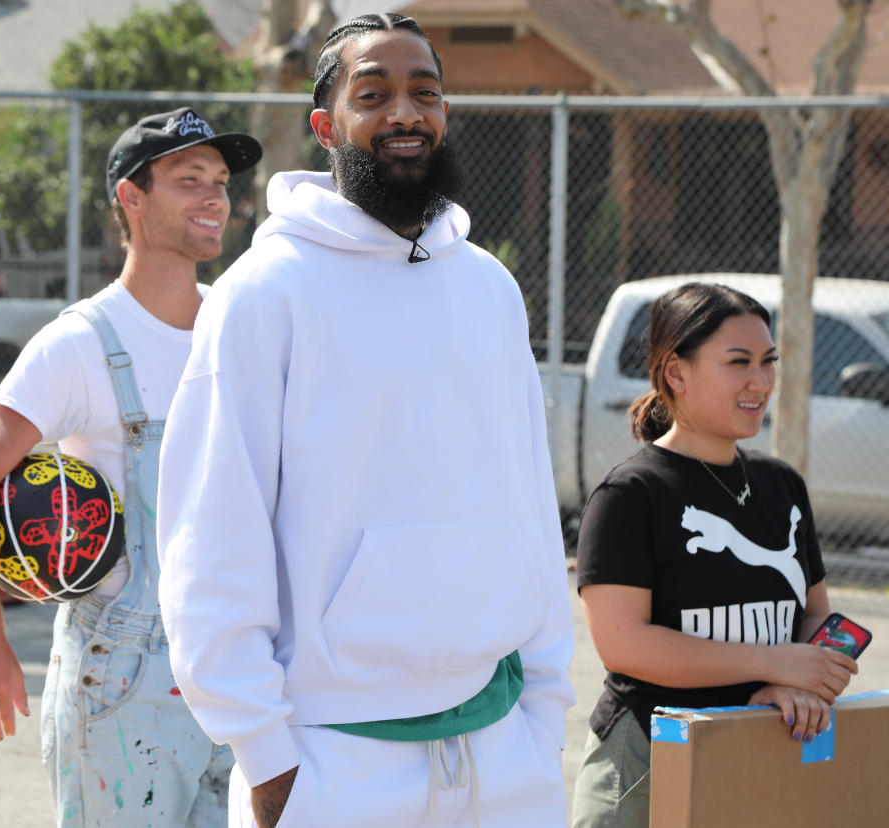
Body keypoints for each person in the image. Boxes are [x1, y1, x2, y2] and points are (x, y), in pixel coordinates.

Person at [155, 12, 575, 828]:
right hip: (333, 762)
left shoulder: (488, 286)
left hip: (502, 753)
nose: (405, 114)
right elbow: (212, 536)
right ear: (325, 125)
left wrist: (543, 715)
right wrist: (265, 758)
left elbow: (528, 500)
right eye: (373, 93)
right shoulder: (264, 291)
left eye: (425, 93)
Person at [0, 106, 262, 827]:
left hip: (240, 668)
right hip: (125, 682)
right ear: (131, 199)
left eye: (219, 181)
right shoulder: (81, 343)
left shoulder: (237, 326)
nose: (214, 197)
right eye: (188, 180)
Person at [570, 282, 860, 828]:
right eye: (738, 362)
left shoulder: (782, 485)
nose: (760, 381)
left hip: (761, 748)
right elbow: (623, 644)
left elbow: (815, 614)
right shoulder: (630, 495)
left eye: (768, 361)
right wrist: (771, 665)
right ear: (676, 373)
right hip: (649, 762)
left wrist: (804, 680)